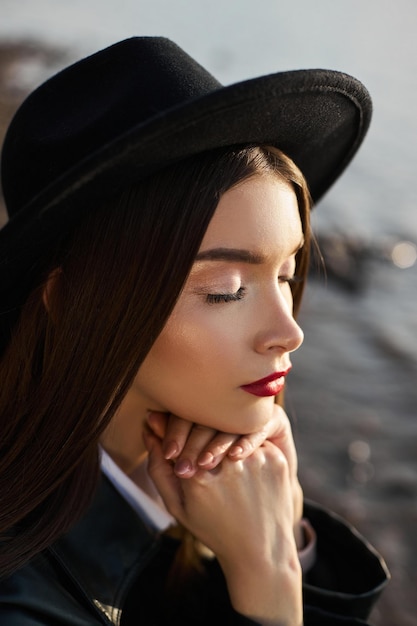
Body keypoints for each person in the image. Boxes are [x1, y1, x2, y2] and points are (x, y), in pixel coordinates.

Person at [0, 37, 389, 625]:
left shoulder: (199, 490)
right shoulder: (23, 599)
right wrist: (268, 584)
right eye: (226, 289)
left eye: (286, 274)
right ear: (67, 299)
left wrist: (289, 535)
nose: (289, 331)